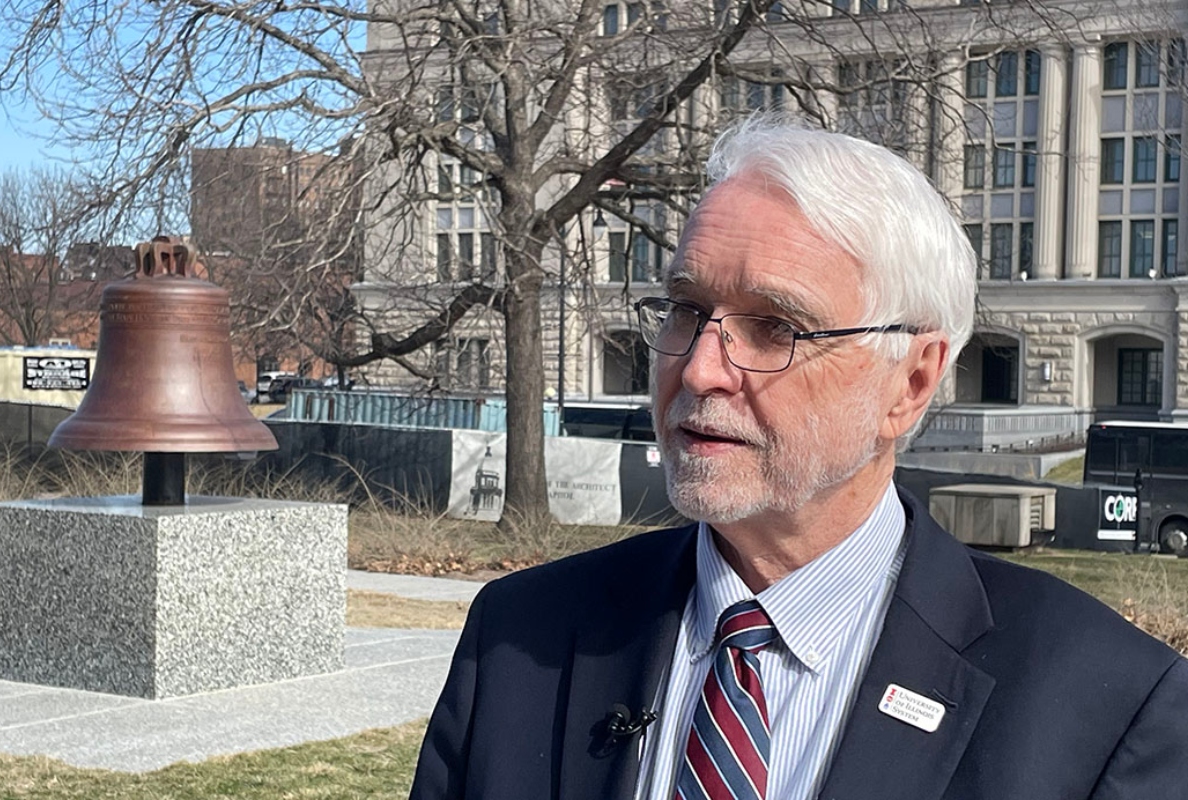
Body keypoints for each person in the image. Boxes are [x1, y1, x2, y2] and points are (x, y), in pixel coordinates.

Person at [409, 118, 1188, 800]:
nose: (702, 368)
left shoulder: (1105, 707)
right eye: (687, 310)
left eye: (775, 328)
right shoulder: (519, 638)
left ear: (911, 384)